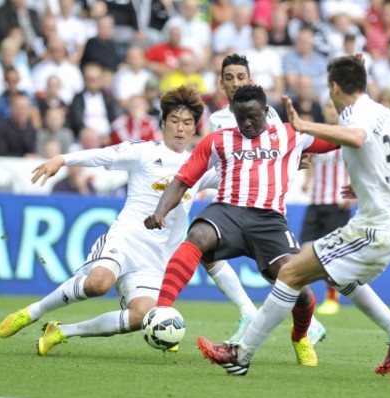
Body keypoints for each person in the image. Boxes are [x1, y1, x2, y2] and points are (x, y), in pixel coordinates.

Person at [196, 54, 390, 376]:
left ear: (335, 86)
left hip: (375, 227)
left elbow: (357, 137)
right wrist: (372, 181)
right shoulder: (383, 113)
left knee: (290, 274)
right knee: (341, 276)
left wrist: (304, 126)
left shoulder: (354, 116)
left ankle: (241, 353)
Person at [0, 86, 220, 355]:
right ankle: (32, 312)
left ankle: (62, 331)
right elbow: (101, 154)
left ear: (196, 128)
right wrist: (61, 159)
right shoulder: (144, 152)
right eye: (174, 121)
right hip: (127, 239)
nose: (180, 128)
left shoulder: (200, 167)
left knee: (140, 316)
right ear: (162, 124)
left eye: (187, 123)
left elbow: (238, 177)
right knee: (97, 284)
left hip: (157, 259)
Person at [144, 85, 341, 367]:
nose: (247, 123)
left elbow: (340, 139)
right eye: (241, 117)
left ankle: (300, 336)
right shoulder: (218, 140)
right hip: (228, 211)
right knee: (198, 234)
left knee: (300, 286)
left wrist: (351, 95)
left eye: (254, 117)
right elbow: (183, 179)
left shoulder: (289, 134)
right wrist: (160, 210)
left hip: (270, 220)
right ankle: (162, 311)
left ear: (266, 113)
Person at [206, 53, 326, 345]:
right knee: (209, 253)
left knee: (276, 268)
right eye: (230, 78)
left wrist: (292, 161)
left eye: (241, 77)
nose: (236, 83)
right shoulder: (217, 119)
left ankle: (301, 322)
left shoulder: (268, 112)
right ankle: (260, 313)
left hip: (263, 203)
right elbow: (223, 165)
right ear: (221, 84)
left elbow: (277, 148)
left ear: (251, 80)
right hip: (233, 198)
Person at [301, 100, 353, 316]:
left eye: (334, 107)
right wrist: (307, 179)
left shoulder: (347, 135)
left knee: (332, 254)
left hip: (337, 201)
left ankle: (332, 297)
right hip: (316, 200)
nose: (331, 111)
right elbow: (310, 158)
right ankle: (305, 298)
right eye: (328, 108)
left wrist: (354, 191)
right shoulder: (317, 135)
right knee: (304, 250)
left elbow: (357, 164)